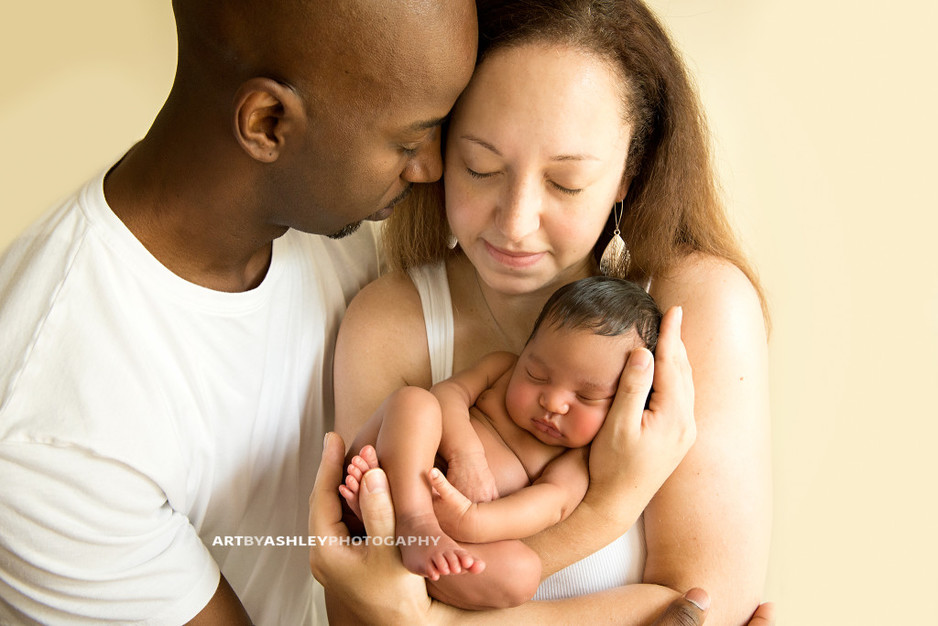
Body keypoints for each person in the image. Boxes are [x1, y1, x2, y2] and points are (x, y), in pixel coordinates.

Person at [0, 0, 478, 623]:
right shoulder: (55, 436)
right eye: (410, 140)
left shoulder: (321, 217)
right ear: (268, 123)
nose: (432, 168)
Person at [327, 0, 772, 623]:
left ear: (628, 172)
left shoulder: (694, 310)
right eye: (481, 167)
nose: (514, 223)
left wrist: (437, 621)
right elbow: (362, 606)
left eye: (565, 183)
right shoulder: (391, 322)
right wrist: (611, 508)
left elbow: (699, 606)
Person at [339, 277, 687, 610]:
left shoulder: (578, 459)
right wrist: (465, 456)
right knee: (414, 402)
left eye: (586, 396)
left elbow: (550, 505)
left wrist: (470, 519)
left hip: (455, 535)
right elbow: (448, 395)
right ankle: (411, 518)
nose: (553, 402)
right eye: (537, 375)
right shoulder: (501, 369)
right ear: (525, 350)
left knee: (522, 573)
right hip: (406, 471)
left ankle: (393, 540)